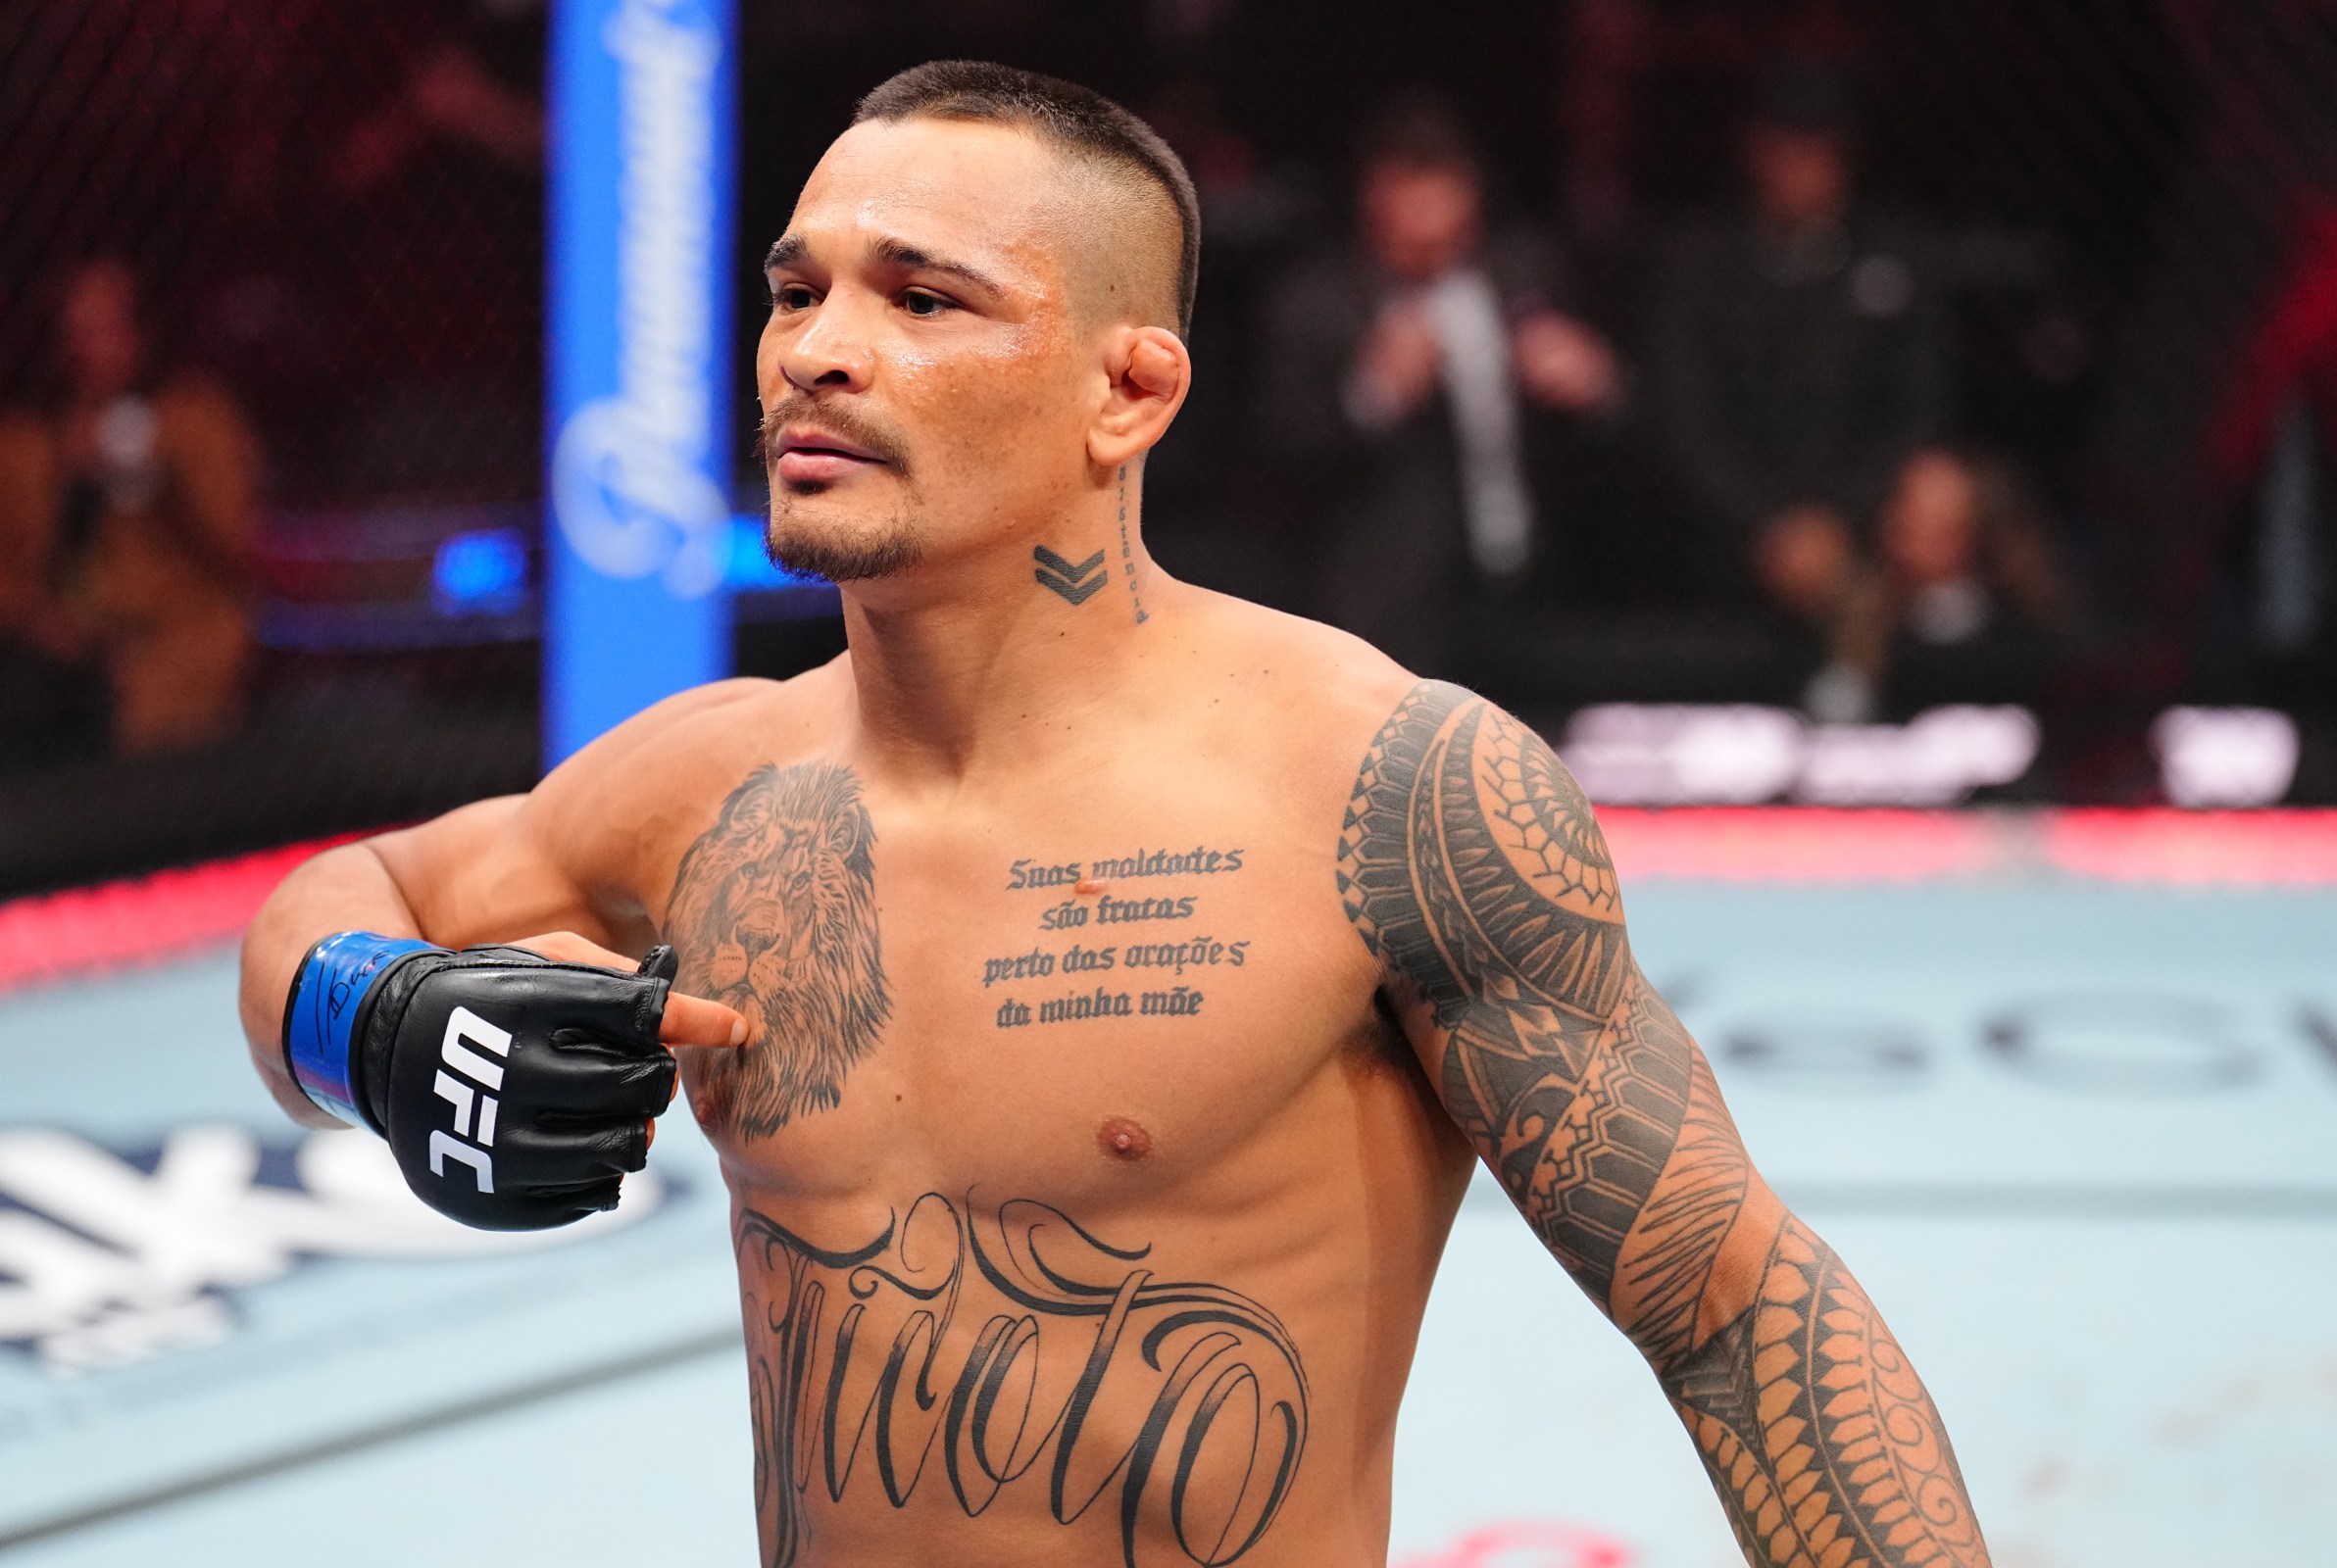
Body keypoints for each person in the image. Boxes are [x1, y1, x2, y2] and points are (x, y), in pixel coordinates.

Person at [239, 63, 1989, 1568]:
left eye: (925, 301)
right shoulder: (709, 783)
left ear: (1127, 391)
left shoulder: (1379, 789)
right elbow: (347, 895)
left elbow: (1738, 1317)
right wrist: (373, 1019)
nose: (819, 354)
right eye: (796, 291)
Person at [1260, 98, 1621, 673]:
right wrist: (1372, 395)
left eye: (1444, 201)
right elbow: (1279, 461)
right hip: (1387, 608)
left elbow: (1619, 416)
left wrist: (1597, 383)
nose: (1431, 226)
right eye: (1413, 203)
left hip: (1540, 587)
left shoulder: (1529, 274)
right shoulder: (1318, 302)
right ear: (1373, 202)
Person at [1649, 58, 1947, 631]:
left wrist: (1838, 519)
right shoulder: (1701, 264)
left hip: (1861, 530)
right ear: (1756, 150)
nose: (1805, 164)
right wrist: (1767, 524)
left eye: (1821, 146)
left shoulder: (1894, 256)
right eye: (1789, 144)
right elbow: (1684, 420)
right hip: (1727, 537)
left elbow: (1919, 408)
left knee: (1938, 490)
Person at [0, 259, 261, 755]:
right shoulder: (22, 443)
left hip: (171, 640)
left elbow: (234, 553)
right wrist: (43, 626)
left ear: (140, 333)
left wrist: (157, 477)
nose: (83, 349)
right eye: (71, 332)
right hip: (53, 651)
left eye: (102, 329)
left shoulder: (195, 423)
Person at [1822, 447, 2071, 720]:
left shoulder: (2025, 643)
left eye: (1933, 507)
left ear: (1977, 528)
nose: (1905, 521)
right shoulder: (1856, 623)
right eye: (1903, 502)